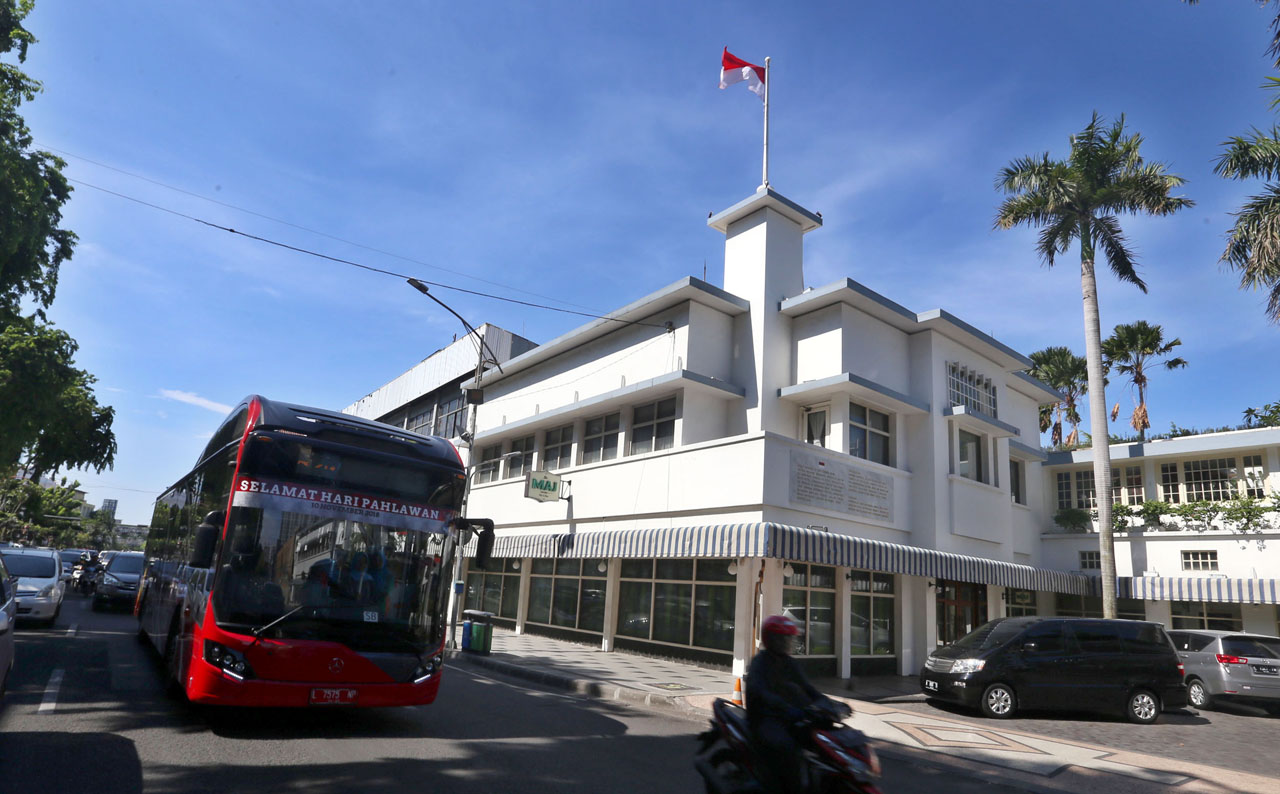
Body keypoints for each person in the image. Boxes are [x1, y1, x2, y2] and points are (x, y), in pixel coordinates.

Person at [746, 615, 823, 793]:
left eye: (790, 638)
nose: (788, 642)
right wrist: (784, 707)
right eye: (784, 638)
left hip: (787, 717)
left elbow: (807, 687)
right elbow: (760, 692)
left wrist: (828, 704)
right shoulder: (761, 662)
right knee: (788, 749)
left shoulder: (790, 663)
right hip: (765, 719)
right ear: (772, 639)